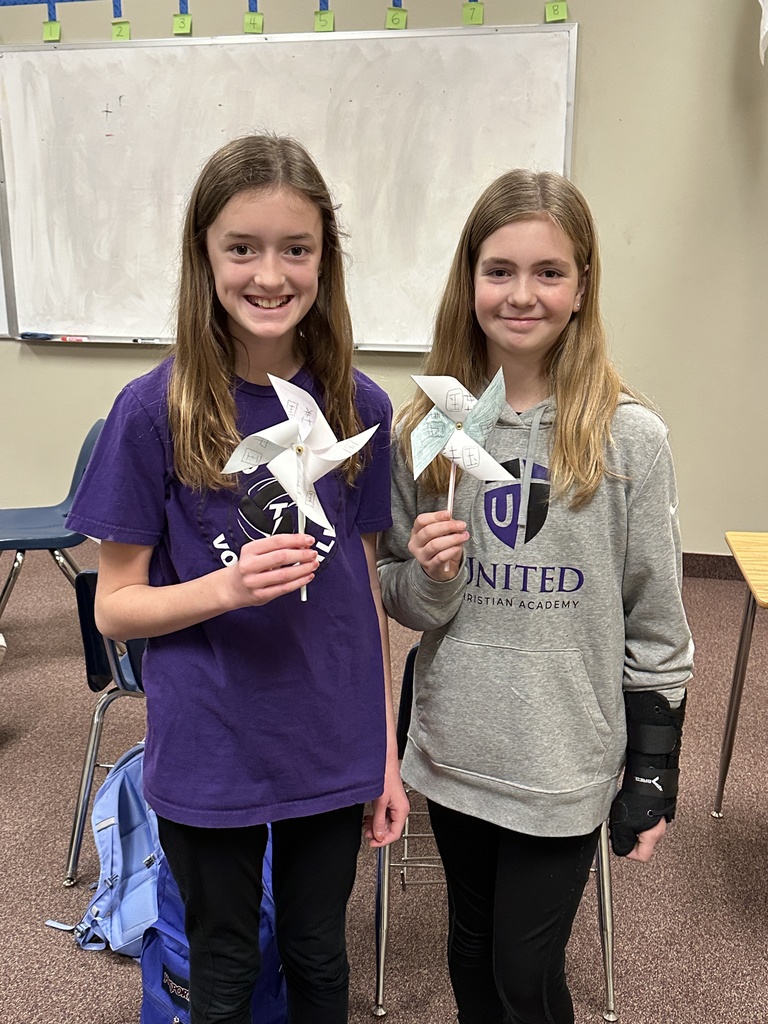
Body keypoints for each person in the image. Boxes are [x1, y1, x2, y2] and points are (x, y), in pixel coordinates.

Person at [67, 133, 409, 1024]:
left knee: (317, 952)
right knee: (223, 957)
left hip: (329, 746)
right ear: (204, 256)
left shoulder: (359, 407)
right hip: (212, 743)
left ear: (324, 260)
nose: (270, 274)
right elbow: (115, 609)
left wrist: (383, 757)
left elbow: (363, 600)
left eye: (296, 249)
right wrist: (228, 587)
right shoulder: (154, 411)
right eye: (242, 248)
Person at [377, 169, 693, 1024]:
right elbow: (399, 597)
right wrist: (430, 578)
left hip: (562, 760)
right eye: (499, 270)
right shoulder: (427, 431)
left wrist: (654, 770)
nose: (522, 294)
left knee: (525, 973)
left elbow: (658, 622)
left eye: (549, 272)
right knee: (470, 957)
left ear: (583, 283)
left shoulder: (630, 437)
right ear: (468, 279)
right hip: (455, 744)